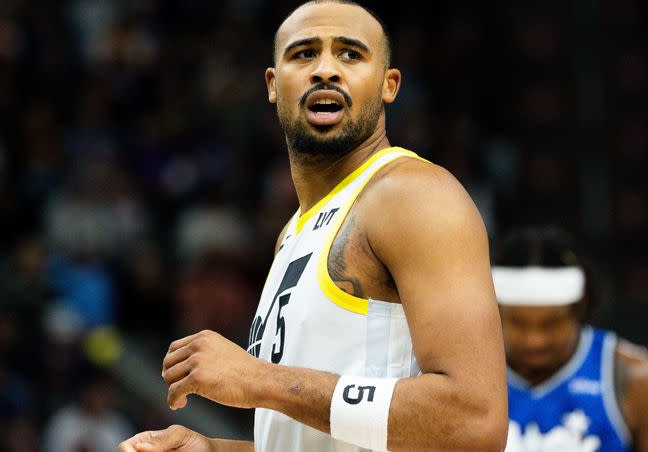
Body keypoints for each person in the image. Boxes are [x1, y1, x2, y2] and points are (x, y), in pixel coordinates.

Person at [119, 1, 508, 450]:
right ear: (271, 84)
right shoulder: (293, 232)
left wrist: (264, 380)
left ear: (389, 84)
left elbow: (476, 421)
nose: (326, 69)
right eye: (304, 54)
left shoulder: (413, 195)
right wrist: (212, 449)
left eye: (350, 54)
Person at [492, 228, 648, 452]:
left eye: (551, 324)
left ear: (579, 308)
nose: (535, 340)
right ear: (494, 312)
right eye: (518, 323)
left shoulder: (632, 377)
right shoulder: (461, 374)